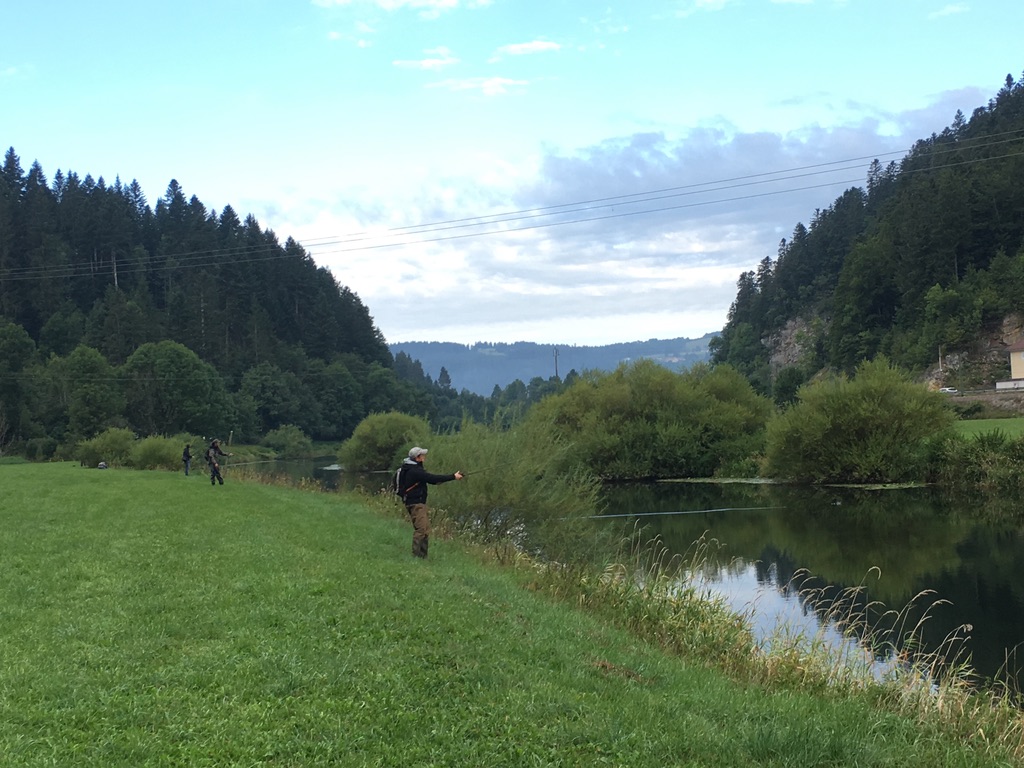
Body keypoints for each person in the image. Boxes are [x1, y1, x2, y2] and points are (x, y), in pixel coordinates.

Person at [395, 446, 463, 559]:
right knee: (421, 529)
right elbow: (433, 478)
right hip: (416, 503)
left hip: (415, 502)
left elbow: (431, 480)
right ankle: (416, 556)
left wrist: (450, 478)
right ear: (417, 458)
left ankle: (423, 556)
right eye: (422, 455)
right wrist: (453, 476)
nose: (424, 457)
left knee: (425, 529)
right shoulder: (415, 471)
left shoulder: (411, 468)